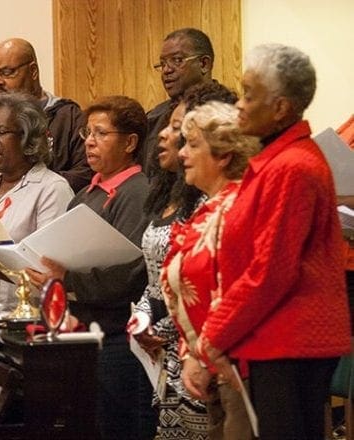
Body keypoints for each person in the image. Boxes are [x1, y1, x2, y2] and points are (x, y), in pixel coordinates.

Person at [194, 44, 351, 440]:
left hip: (288, 341)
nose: (239, 105)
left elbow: (268, 272)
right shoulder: (276, 161)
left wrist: (213, 335)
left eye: (249, 94)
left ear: (280, 108)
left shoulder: (292, 167)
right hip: (275, 338)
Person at [27, 96, 156, 439]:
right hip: (82, 333)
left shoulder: (138, 193)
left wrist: (66, 279)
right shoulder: (86, 192)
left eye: (101, 133)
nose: (89, 141)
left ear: (130, 143)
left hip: (116, 338)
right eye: (87, 132)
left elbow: (130, 272)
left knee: (115, 427)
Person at [128, 82, 238, 439]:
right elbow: (158, 275)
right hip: (171, 357)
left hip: (202, 352)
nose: (165, 136)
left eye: (181, 131)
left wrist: (164, 331)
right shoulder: (169, 193)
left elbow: (216, 289)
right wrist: (143, 318)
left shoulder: (219, 205)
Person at [158, 101, 259, 439]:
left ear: (224, 155)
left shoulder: (239, 209)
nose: (182, 152)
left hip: (238, 367)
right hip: (211, 364)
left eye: (193, 144)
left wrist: (201, 357)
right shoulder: (208, 208)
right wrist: (192, 355)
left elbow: (233, 292)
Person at [0, 92, 74, 315]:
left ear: (28, 138)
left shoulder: (52, 188)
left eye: (1, 132)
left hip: (26, 320)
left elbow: (45, 269)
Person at [0, 38, 91, 193]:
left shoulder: (66, 117)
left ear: (33, 71)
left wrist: (22, 186)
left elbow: (85, 173)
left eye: (7, 73)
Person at [142, 28, 216, 177]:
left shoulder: (227, 114)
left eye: (177, 60)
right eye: (162, 64)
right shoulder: (154, 118)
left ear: (203, 64)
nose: (167, 70)